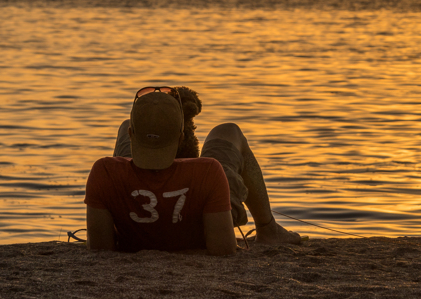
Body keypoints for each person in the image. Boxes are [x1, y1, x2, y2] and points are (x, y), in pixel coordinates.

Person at [85, 86, 300, 254]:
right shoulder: (209, 172)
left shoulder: (104, 172)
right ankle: (268, 229)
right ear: (181, 138)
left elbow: (101, 248)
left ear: (133, 136)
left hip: (134, 230)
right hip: (205, 225)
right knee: (228, 131)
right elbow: (224, 249)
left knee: (124, 124)